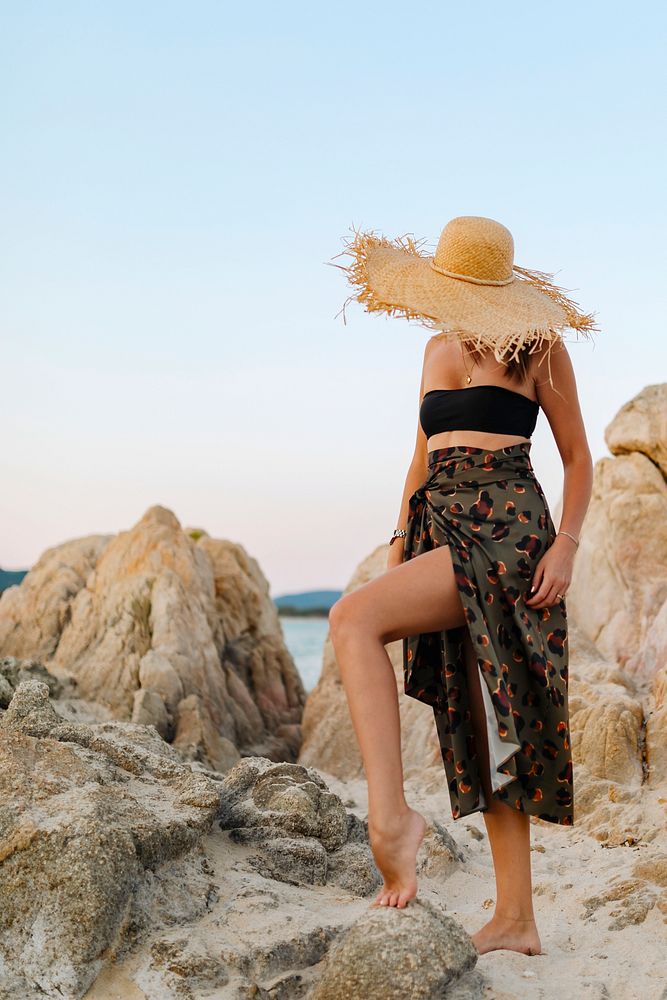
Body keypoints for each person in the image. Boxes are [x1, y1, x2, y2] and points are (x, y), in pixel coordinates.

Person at [326, 216, 597, 956]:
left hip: (507, 526)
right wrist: (396, 546)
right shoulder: (433, 347)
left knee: (351, 622)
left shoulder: (538, 346)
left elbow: (577, 460)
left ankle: (391, 820)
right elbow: (419, 462)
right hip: (436, 523)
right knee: (486, 719)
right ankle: (517, 920)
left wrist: (565, 548)